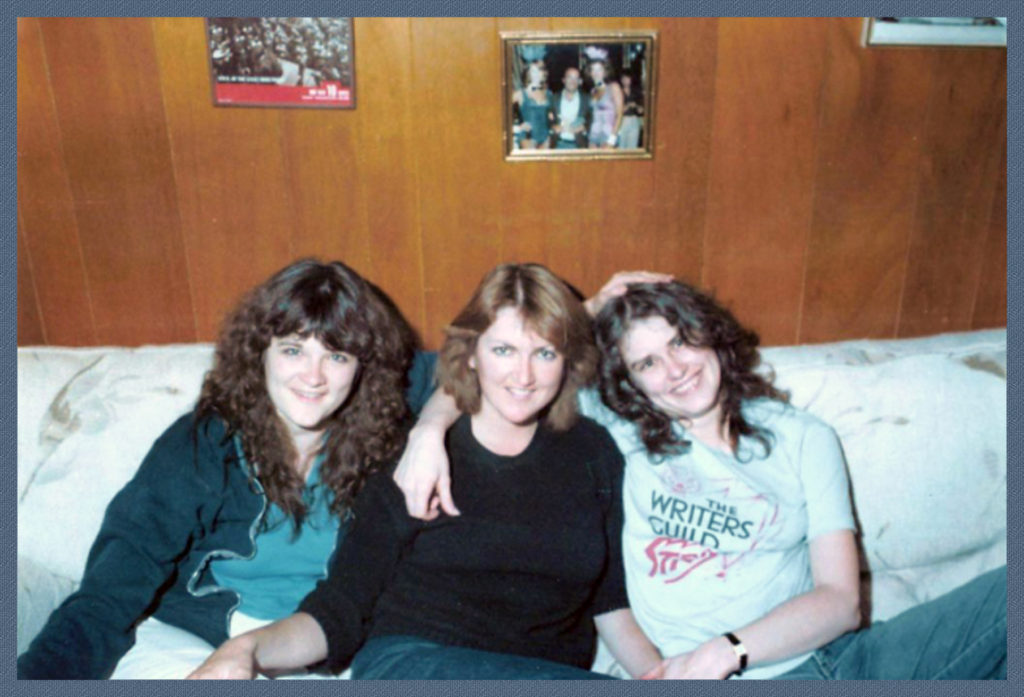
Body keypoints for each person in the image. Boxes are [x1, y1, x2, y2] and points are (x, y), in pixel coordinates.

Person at [394, 273, 1007, 680]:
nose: (676, 370)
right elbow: (494, 364)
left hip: (823, 666)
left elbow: (841, 600)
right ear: (628, 382)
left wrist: (725, 652)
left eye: (683, 341)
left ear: (713, 337)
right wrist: (428, 432)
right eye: (648, 363)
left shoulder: (803, 438)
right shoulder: (623, 430)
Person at [188, 263, 662, 679]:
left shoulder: (593, 452)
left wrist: (666, 677)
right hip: (413, 665)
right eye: (504, 351)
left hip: (545, 674)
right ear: (471, 354)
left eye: (544, 353)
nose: (524, 376)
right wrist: (245, 650)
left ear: (567, 360)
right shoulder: (414, 454)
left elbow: (610, 605)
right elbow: (342, 607)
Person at [17, 259, 436, 679]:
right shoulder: (204, 442)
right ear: (260, 352)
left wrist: (432, 428)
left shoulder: (383, 444)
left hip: (320, 647)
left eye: (337, 356)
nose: (314, 376)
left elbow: (469, 366)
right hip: (194, 638)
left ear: (364, 367)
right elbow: (111, 590)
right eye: (293, 350)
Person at [511, 62, 555, 150]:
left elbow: (552, 116)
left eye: (539, 71)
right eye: (534, 71)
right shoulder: (520, 94)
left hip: (546, 137)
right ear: (528, 74)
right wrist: (516, 128)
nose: (538, 74)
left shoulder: (549, 93)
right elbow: (499, 110)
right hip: (528, 137)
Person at [584, 56, 624, 149]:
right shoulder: (593, 91)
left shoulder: (613, 87)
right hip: (593, 137)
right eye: (593, 69)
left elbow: (620, 114)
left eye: (599, 69)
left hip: (608, 136)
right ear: (590, 72)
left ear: (605, 71)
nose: (596, 73)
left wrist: (612, 140)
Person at [549, 66, 591, 149]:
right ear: (563, 80)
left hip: (579, 145)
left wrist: (584, 127)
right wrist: (553, 126)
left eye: (576, 78)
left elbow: (593, 119)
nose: (573, 81)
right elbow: (545, 118)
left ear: (580, 82)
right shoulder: (553, 98)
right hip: (557, 144)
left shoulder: (587, 99)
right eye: (569, 77)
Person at [616, 74, 644, 149]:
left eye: (627, 78)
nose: (626, 81)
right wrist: (628, 105)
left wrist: (636, 106)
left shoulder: (636, 92)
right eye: (624, 79)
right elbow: (618, 110)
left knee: (632, 146)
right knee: (621, 145)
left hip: (634, 120)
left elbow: (641, 111)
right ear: (621, 80)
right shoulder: (618, 92)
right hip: (622, 120)